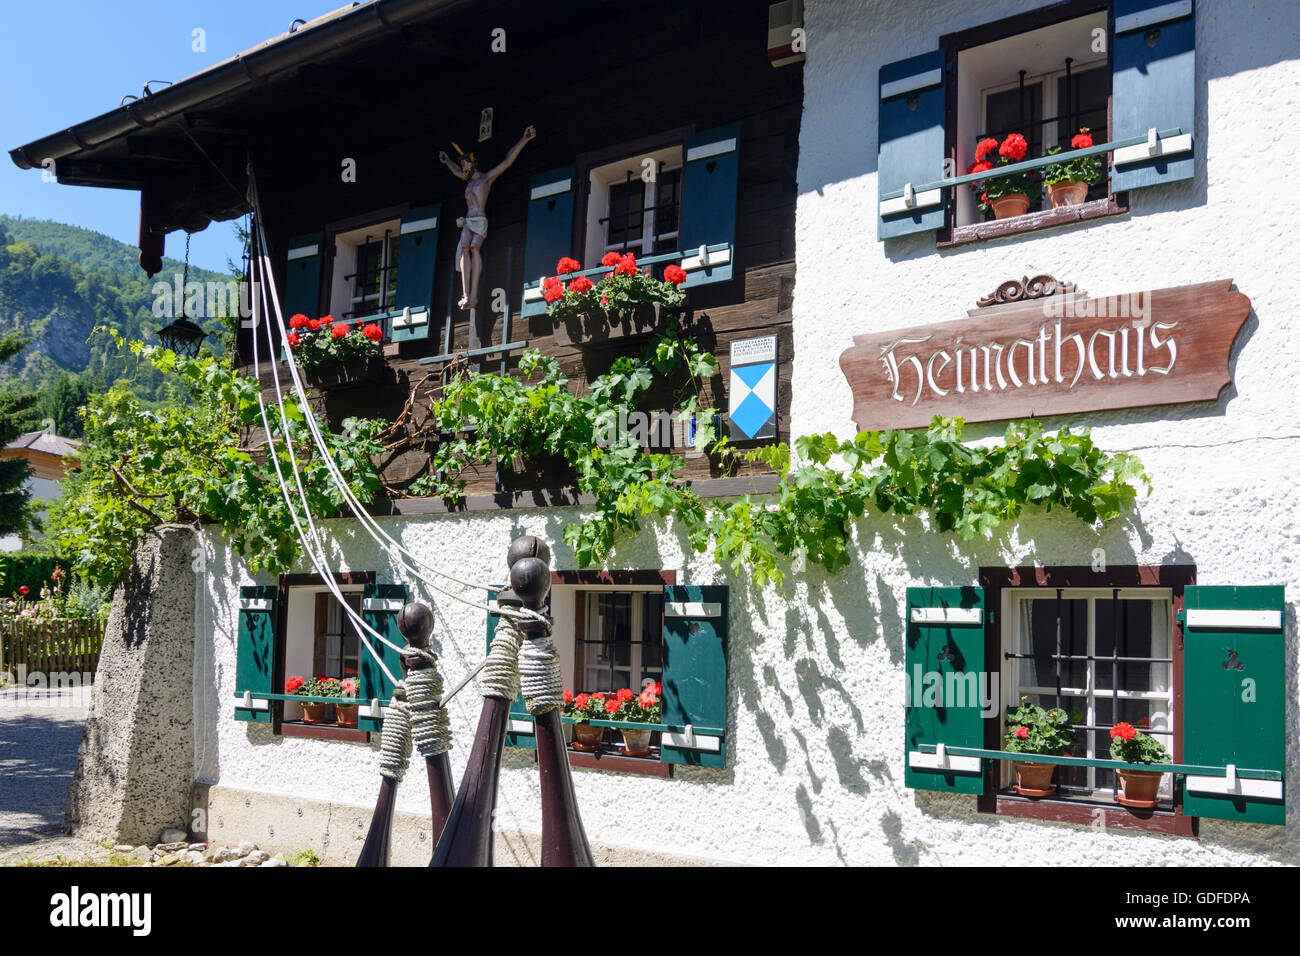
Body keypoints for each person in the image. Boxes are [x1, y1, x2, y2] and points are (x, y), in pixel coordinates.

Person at [438, 125, 536, 310]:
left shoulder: (486, 178)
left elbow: (507, 161)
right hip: (468, 220)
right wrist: (447, 161)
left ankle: (473, 295)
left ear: (473, 163)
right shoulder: (465, 179)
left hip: (480, 220)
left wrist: (524, 139)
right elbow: (454, 170)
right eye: (462, 165)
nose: (463, 167)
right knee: (465, 247)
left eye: (465, 164)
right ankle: (466, 294)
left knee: (475, 248)